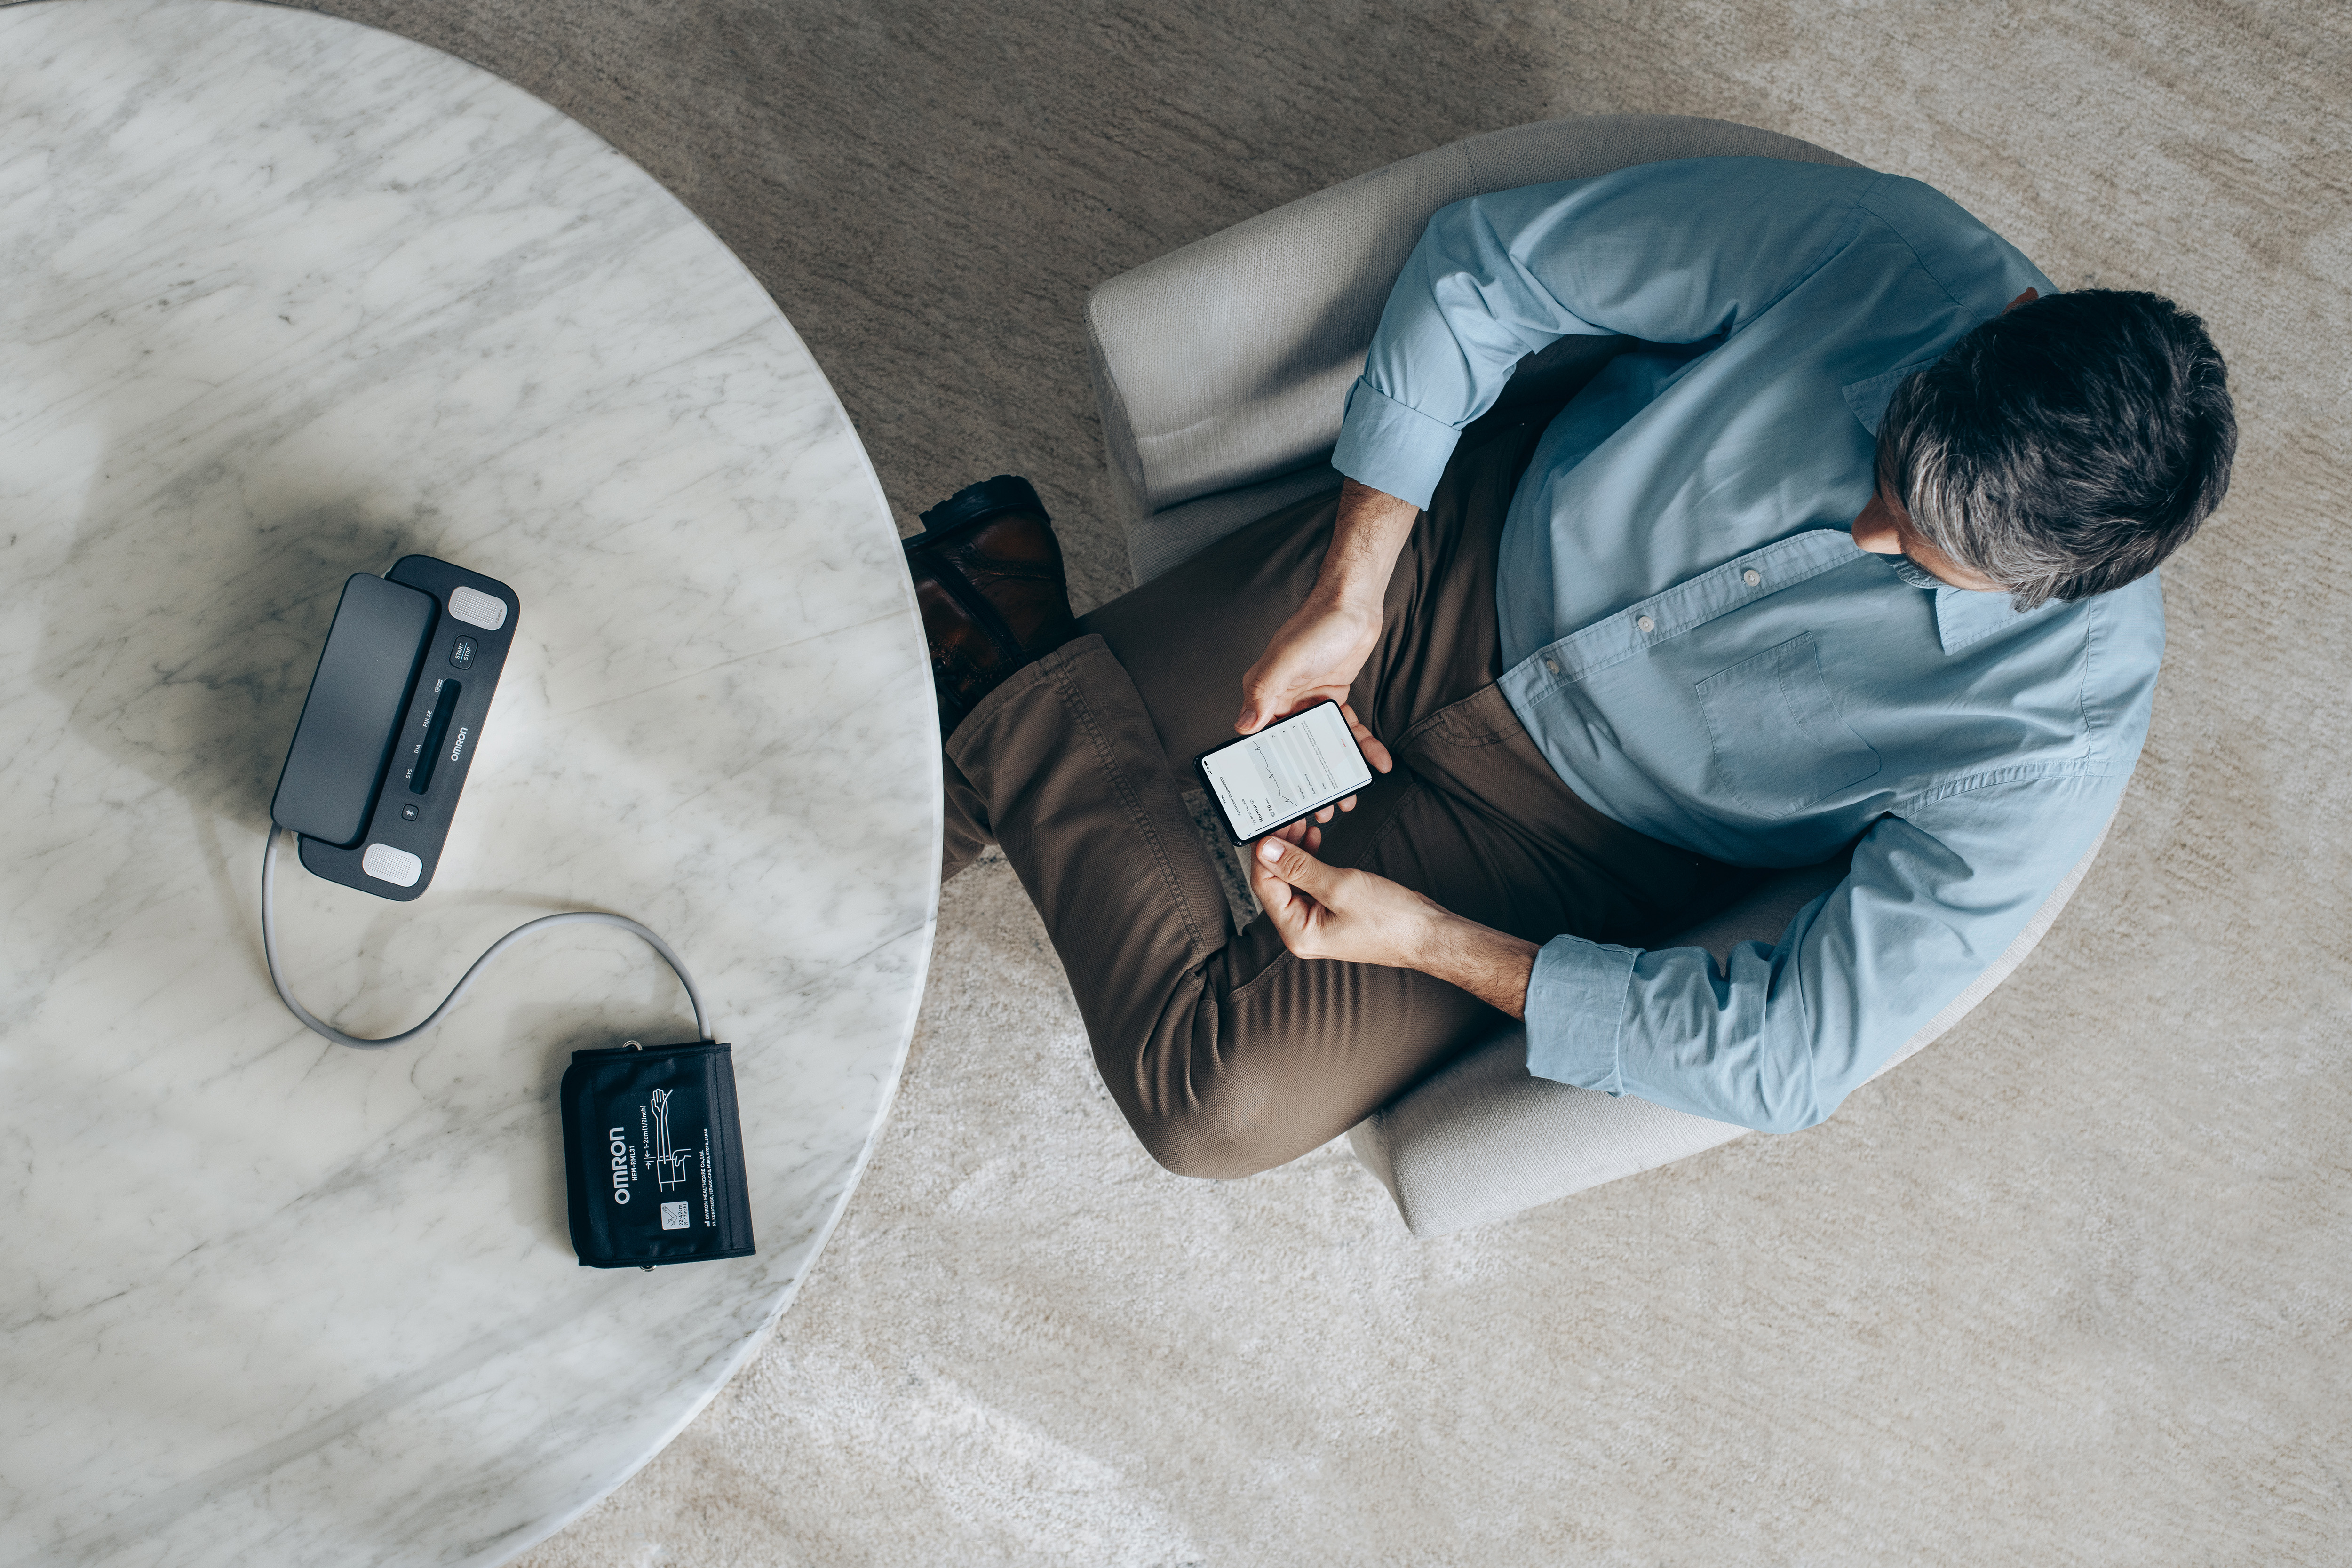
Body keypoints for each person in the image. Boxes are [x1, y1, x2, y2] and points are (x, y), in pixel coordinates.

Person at [904, 155, 2235, 1180]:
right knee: (928, 789)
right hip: (1455, 569)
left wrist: (1434, 943)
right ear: (1999, 323)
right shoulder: (1884, 251)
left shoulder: (2051, 741)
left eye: (1925, 561)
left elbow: (1793, 1055)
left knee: (1213, 1109)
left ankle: (1010, 647)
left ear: (2063, 592)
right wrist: (1352, 583)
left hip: (1570, 840)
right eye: (1887, 469)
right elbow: (1488, 268)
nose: (1867, 532)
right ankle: (1000, 695)